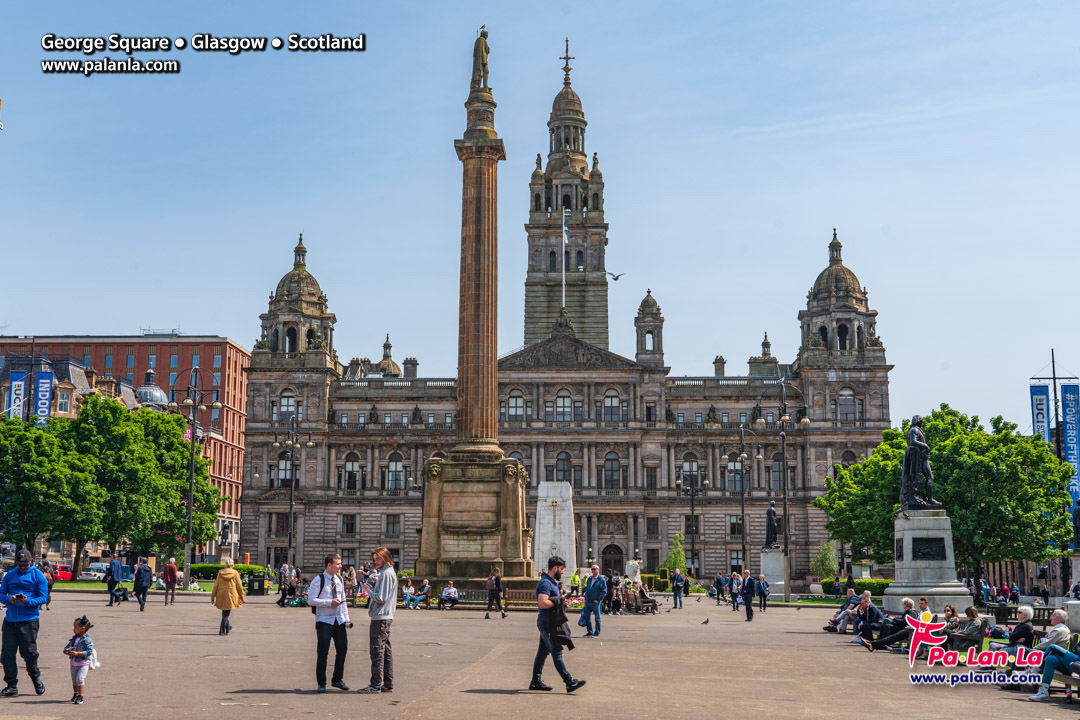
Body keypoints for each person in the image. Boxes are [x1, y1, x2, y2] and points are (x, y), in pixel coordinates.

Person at [529, 556, 585, 693]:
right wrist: (558, 601)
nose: (562, 572)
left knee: (542, 652)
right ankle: (569, 681)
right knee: (556, 652)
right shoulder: (545, 583)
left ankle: (535, 681)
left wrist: (561, 601)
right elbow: (542, 603)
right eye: (561, 569)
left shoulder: (551, 582)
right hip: (547, 622)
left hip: (549, 621)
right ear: (555, 568)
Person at [0, 550, 48, 697]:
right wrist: (9, 599)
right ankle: (11, 685)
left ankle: (35, 678)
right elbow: (1, 594)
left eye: (25, 564)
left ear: (31, 561)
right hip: (10, 621)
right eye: (19, 564)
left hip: (28, 620)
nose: (22, 567)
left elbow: (44, 597)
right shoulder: (10, 575)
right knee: (7, 655)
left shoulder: (37, 575)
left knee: (29, 654)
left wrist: (28, 602)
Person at [309, 553, 351, 693]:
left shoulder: (339, 579)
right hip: (324, 620)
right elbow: (311, 600)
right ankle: (321, 682)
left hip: (338, 620)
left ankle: (337, 679)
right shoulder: (318, 580)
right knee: (323, 652)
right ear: (329, 565)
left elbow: (343, 600)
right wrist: (329, 603)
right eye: (338, 564)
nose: (340, 566)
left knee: (343, 649)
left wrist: (347, 618)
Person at [358, 546, 397, 694]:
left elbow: (381, 598)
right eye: (374, 559)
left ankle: (375, 684)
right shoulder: (388, 572)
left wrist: (369, 591)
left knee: (377, 651)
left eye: (378, 558)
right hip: (385, 616)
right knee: (385, 650)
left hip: (381, 616)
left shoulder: (386, 574)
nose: (376, 562)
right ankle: (387, 683)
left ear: (385, 557)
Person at [1030, 609, 1074, 701]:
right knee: (1050, 658)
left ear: (1058, 619)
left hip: (1072, 664)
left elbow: (1047, 644)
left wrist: (1033, 650)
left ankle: (1036, 668)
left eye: (1052, 615)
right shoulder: (1061, 629)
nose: (1050, 617)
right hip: (1064, 661)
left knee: (1052, 647)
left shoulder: (1060, 630)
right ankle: (1044, 692)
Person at [63, 615, 95, 705]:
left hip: (83, 664)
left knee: (80, 679)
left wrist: (77, 653)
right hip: (73, 663)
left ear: (82, 628)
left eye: (75, 627)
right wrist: (66, 651)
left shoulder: (87, 640)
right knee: (74, 680)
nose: (73, 629)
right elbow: (68, 646)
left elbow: (89, 652)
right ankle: (76, 694)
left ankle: (81, 696)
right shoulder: (74, 638)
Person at [210, 557, 245, 636]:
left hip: (221, 594)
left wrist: (212, 597)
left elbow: (216, 585)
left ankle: (228, 626)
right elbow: (239, 586)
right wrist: (242, 597)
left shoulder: (220, 573)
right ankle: (222, 630)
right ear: (232, 565)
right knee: (226, 613)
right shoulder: (235, 573)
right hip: (231, 594)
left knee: (225, 611)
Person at [582, 565, 606, 638]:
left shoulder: (601, 579)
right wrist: (585, 598)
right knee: (586, 616)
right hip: (588, 601)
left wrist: (598, 599)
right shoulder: (589, 578)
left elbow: (604, 591)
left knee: (597, 618)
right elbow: (587, 589)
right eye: (592, 569)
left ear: (598, 570)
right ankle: (590, 632)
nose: (593, 570)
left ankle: (597, 632)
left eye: (594, 569)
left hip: (595, 602)